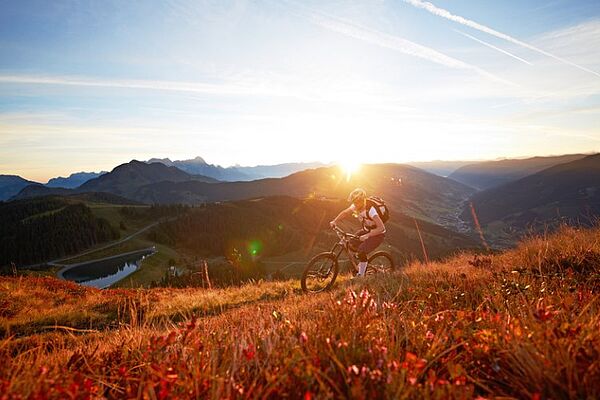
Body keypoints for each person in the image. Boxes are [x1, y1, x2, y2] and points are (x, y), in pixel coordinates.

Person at [329, 188, 386, 277]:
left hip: (378, 234)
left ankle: (361, 275)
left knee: (361, 251)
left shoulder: (371, 211)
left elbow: (381, 228)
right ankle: (361, 263)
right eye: (354, 202)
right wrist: (335, 221)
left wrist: (367, 235)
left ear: (362, 200)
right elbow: (345, 213)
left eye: (356, 202)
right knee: (350, 244)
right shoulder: (356, 206)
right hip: (366, 230)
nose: (354, 204)